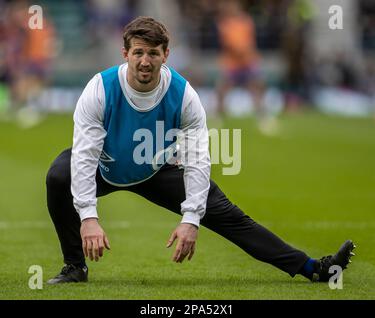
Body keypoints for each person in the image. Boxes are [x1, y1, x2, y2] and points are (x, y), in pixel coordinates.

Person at [46, 16, 355, 284]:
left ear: (166, 54)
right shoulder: (99, 88)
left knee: (231, 218)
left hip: (156, 167)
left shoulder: (183, 95)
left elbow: (197, 158)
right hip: (106, 165)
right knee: (60, 175)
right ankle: (75, 266)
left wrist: (191, 219)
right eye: (138, 52)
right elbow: (85, 154)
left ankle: (315, 268)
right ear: (124, 53)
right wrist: (88, 217)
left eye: (153, 53)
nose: (144, 61)